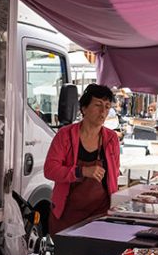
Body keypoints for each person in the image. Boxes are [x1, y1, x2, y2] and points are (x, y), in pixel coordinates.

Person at [44, 83, 121, 234]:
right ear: (84, 108)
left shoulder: (111, 139)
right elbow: (50, 170)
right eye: (98, 105)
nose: (103, 111)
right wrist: (81, 171)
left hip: (101, 213)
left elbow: (115, 173)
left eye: (107, 106)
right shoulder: (65, 135)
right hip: (67, 214)